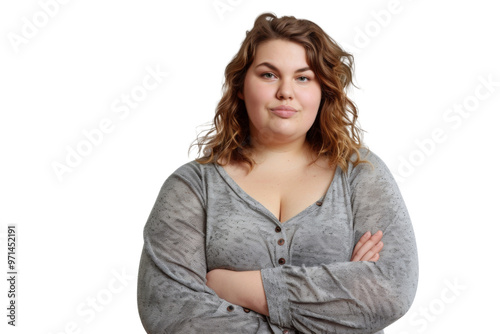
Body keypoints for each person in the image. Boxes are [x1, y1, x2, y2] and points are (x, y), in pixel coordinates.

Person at [137, 12, 418, 334]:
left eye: (303, 77)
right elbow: (170, 311)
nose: (286, 91)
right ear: (241, 86)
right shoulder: (192, 187)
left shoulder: (360, 174)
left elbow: (389, 292)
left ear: (323, 90)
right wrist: (338, 296)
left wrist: (235, 286)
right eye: (269, 75)